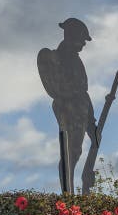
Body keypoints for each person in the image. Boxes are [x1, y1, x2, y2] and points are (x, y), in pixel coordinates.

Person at [38, 18, 98, 194]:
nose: (83, 44)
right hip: (68, 107)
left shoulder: (75, 60)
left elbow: (84, 93)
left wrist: (91, 124)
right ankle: (68, 194)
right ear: (72, 36)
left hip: (81, 107)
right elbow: (61, 89)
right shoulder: (57, 57)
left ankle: (73, 191)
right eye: (82, 39)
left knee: (75, 151)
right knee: (70, 150)